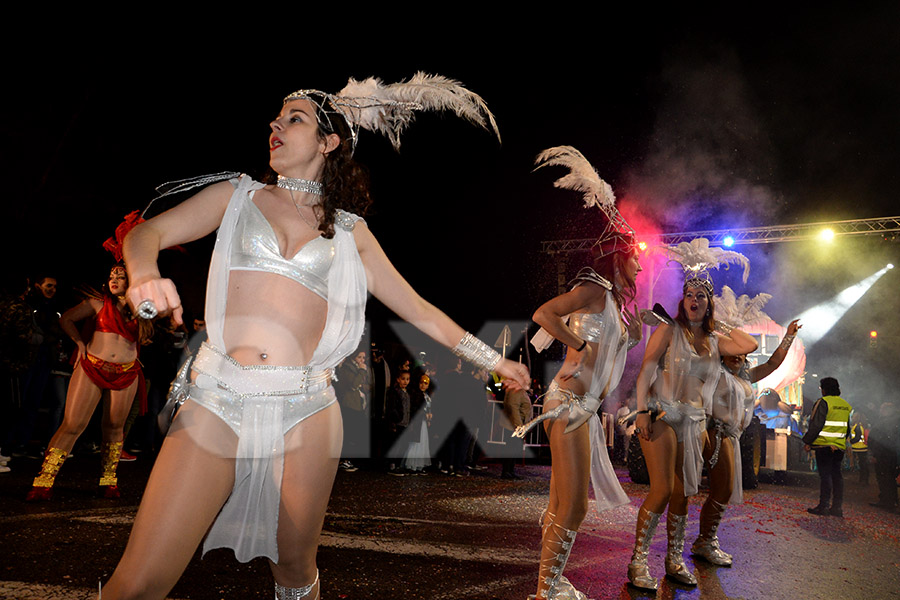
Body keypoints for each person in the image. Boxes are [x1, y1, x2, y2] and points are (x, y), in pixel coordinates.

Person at [100, 74, 528, 600]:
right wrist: (142, 270)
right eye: (276, 117)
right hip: (218, 399)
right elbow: (148, 232)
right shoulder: (235, 196)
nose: (275, 124)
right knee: (138, 582)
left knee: (295, 572)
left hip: (306, 410)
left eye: (294, 118)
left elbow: (417, 308)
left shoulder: (351, 231)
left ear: (329, 143)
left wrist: (495, 361)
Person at [515, 146, 643, 600]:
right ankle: (546, 591)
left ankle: (549, 582)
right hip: (567, 403)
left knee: (564, 504)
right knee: (572, 506)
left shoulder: (617, 306)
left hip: (585, 409)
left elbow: (613, 358)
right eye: (635, 259)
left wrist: (631, 333)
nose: (641, 266)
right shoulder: (594, 288)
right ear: (618, 255)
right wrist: (578, 343)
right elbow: (544, 314)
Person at [630, 238, 757, 590]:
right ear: (682, 299)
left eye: (701, 296)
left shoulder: (715, 341)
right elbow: (645, 371)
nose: (694, 301)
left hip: (696, 422)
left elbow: (750, 345)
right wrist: (641, 411)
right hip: (662, 415)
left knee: (684, 492)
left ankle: (673, 559)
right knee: (661, 489)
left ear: (708, 303)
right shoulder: (669, 330)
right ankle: (638, 562)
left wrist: (720, 324)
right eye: (689, 295)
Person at [26, 266, 149, 500]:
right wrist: (80, 344)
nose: (114, 280)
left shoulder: (140, 309)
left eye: (121, 277)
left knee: (114, 427)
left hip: (126, 372)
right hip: (92, 367)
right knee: (73, 424)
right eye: (112, 276)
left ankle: (108, 481)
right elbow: (68, 320)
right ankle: (43, 481)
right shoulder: (96, 303)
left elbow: (155, 328)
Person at [692, 315, 801, 567]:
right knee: (720, 490)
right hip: (714, 434)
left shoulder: (746, 377)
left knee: (722, 490)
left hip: (731, 436)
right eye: (733, 351)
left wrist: (789, 337)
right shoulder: (713, 372)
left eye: (742, 354)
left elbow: (773, 363)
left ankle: (706, 540)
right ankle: (704, 542)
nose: (738, 356)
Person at [803, 376, 852, 517]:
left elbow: (816, 424)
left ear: (824, 389)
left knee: (825, 475)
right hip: (839, 447)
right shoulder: (845, 405)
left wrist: (808, 441)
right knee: (837, 476)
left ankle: (823, 506)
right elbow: (847, 429)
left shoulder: (823, 402)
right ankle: (837, 508)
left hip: (823, 445)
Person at [868, 401, 899, 511]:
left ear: (887, 410)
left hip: (884, 455)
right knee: (889, 478)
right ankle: (891, 500)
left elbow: (879, 440)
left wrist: (875, 454)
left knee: (884, 478)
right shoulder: (894, 421)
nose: (880, 411)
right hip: (891, 455)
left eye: (882, 409)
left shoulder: (885, 423)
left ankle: (887, 501)